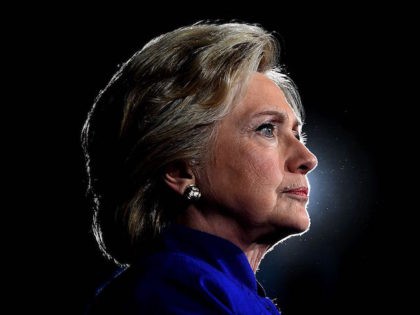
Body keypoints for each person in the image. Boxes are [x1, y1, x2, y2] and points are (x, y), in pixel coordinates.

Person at [82, 21, 317, 314]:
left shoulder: (206, 289)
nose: (307, 158)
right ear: (180, 169)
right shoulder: (170, 294)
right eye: (267, 129)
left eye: (297, 134)